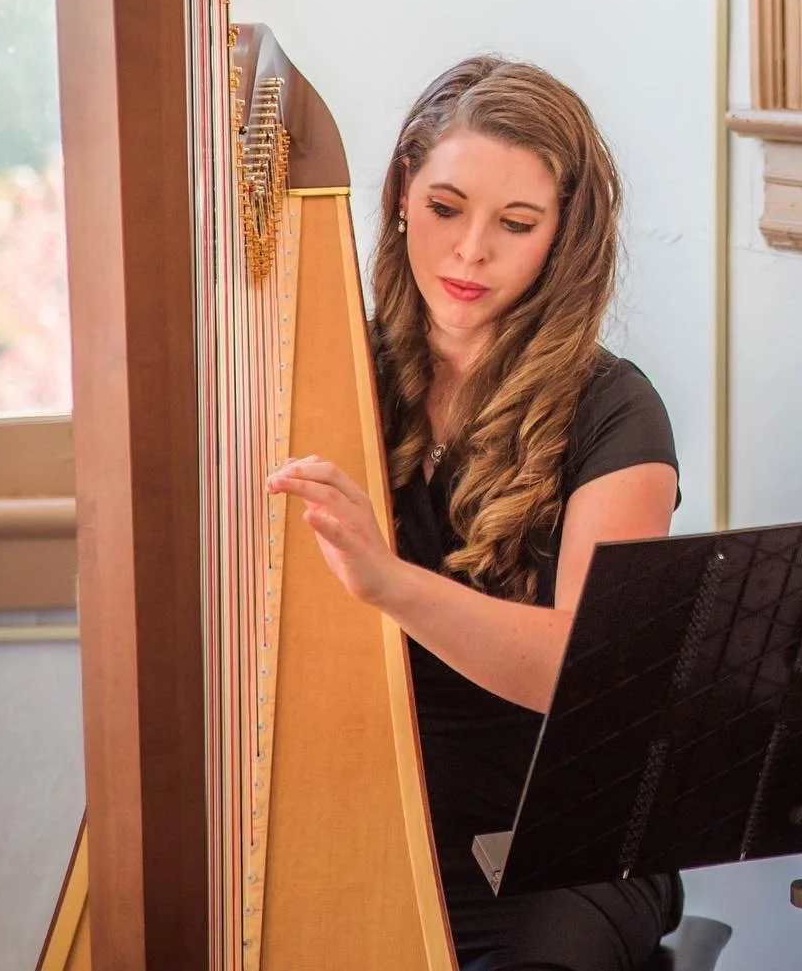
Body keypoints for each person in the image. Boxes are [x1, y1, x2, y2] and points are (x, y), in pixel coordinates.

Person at [268, 56, 682, 971]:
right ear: (402, 196)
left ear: (562, 242)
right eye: (447, 207)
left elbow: (584, 671)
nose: (469, 252)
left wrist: (391, 582)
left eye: (516, 224)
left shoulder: (616, 414)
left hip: (553, 847)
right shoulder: (331, 381)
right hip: (368, 813)